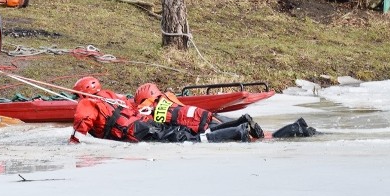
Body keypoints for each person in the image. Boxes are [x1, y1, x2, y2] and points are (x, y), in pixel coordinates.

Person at [69, 77, 251, 144]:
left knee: (190, 140)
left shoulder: (87, 103)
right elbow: (132, 108)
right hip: (146, 123)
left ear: (83, 93)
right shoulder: (111, 96)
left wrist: (73, 142)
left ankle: (237, 131)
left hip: (138, 132)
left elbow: (83, 121)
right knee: (184, 133)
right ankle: (239, 123)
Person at [134, 82, 265, 138]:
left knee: (227, 131)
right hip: (203, 113)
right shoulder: (168, 96)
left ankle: (242, 128)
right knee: (223, 121)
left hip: (198, 125)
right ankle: (242, 121)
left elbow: (143, 123)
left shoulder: (146, 110)